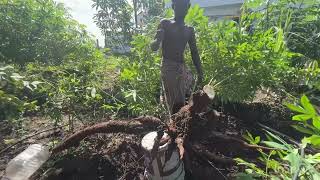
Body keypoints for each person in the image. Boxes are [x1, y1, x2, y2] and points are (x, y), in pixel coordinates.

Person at [151, 0, 203, 115]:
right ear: (173, 6)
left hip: (182, 67)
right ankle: (175, 126)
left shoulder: (189, 30)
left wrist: (200, 72)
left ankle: (180, 121)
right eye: (178, 6)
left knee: (186, 96)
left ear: (188, 7)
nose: (181, 9)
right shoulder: (165, 23)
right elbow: (153, 47)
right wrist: (158, 39)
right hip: (169, 66)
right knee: (176, 103)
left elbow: (194, 52)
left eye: (184, 6)